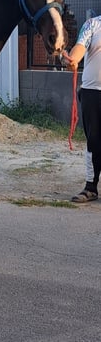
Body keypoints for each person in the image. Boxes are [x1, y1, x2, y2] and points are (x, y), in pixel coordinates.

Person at [65, 14, 101, 203]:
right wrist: (73, 59)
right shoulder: (92, 24)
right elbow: (80, 46)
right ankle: (91, 187)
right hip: (92, 92)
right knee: (93, 140)